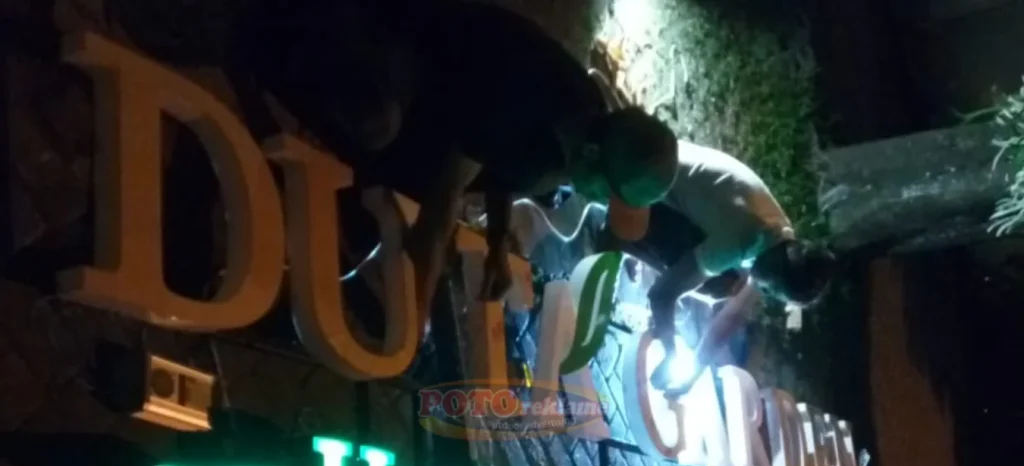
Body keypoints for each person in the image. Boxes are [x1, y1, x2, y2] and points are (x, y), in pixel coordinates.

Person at [238, 0, 679, 329]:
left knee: (398, 187)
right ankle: (267, 53)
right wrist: (417, 311)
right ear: (592, 156)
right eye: (608, 192)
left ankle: (339, 185)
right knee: (376, 125)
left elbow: (503, 168)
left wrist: (497, 243)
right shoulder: (529, 93)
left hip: (444, 111)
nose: (599, 201)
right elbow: (446, 196)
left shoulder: (579, 133)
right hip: (403, 42)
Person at [603, 140, 835, 393]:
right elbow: (660, 295)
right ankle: (618, 232)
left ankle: (637, 242)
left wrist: (693, 375)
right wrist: (669, 351)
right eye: (770, 289)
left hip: (660, 159)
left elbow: (735, 316)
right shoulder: (742, 236)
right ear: (779, 266)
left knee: (726, 285)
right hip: (633, 172)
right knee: (710, 284)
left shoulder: (778, 235)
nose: (763, 291)